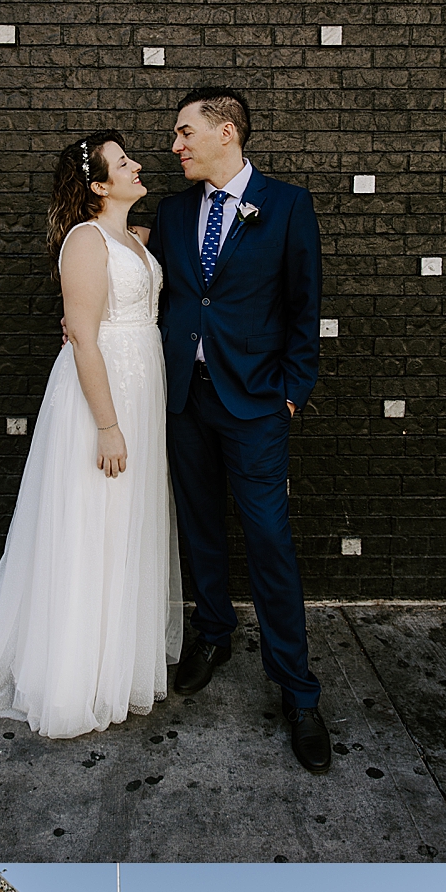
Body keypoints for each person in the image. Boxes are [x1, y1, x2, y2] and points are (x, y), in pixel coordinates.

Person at [0, 135, 182, 737]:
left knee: (124, 520)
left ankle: (113, 655)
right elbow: (82, 336)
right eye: (124, 162)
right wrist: (107, 426)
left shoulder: (135, 238)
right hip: (101, 396)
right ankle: (72, 673)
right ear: (99, 185)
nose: (139, 165)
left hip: (141, 386)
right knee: (91, 519)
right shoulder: (85, 241)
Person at [145, 88, 331, 773]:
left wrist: (291, 395)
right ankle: (213, 632)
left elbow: (305, 307)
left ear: (226, 132)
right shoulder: (172, 213)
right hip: (186, 400)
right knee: (198, 526)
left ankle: (298, 691)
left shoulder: (288, 205)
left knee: (269, 541)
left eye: (184, 132)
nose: (175, 146)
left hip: (256, 405)